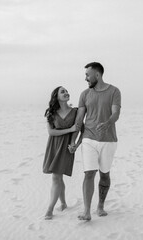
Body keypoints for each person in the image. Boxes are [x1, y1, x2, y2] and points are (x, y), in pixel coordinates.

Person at [70, 62, 121, 221]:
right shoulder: (85, 94)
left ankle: (100, 205)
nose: (85, 78)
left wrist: (108, 122)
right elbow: (79, 120)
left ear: (97, 75)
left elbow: (116, 113)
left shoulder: (114, 91)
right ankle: (86, 211)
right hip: (88, 138)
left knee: (104, 174)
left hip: (109, 140)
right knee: (89, 173)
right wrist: (75, 142)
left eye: (87, 75)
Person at [43, 86, 83, 220]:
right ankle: (63, 203)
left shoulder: (76, 111)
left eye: (67, 91)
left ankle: (49, 209)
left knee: (56, 177)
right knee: (58, 177)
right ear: (56, 96)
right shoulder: (51, 113)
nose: (66, 93)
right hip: (54, 146)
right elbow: (51, 132)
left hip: (67, 147)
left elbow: (82, 130)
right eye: (62, 92)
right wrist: (69, 129)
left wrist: (76, 145)